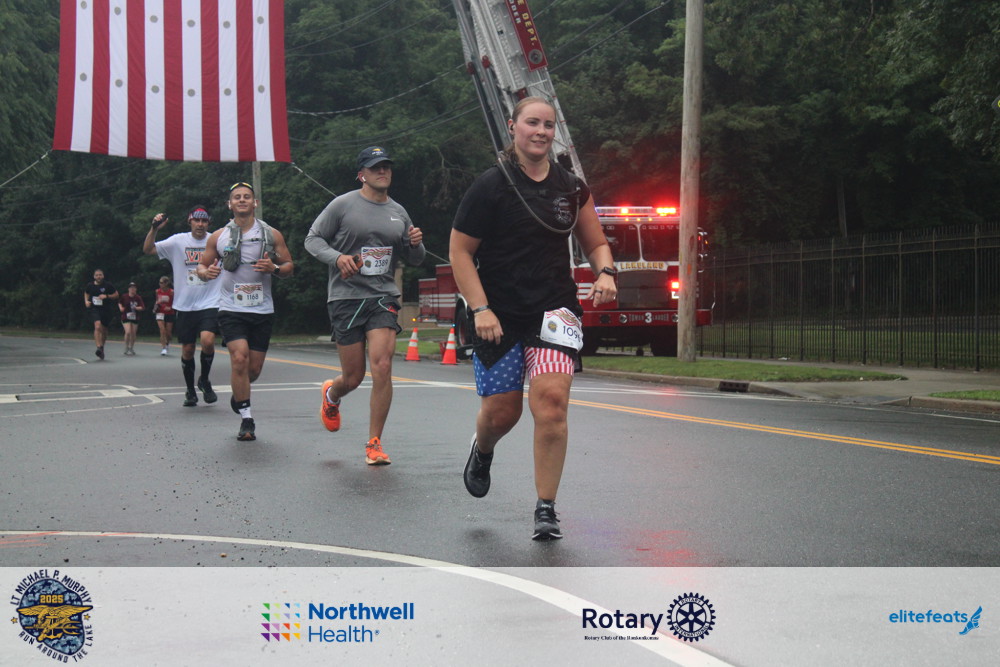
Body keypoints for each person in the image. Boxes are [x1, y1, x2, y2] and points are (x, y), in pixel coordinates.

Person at [449, 97, 618, 540]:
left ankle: (546, 508)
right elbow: (460, 252)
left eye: (548, 124)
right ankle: (482, 448)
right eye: (532, 123)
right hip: (499, 315)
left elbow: (596, 243)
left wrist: (606, 272)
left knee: (552, 403)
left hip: (554, 310)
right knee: (502, 413)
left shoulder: (571, 188)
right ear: (513, 127)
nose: (541, 131)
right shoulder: (490, 186)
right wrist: (480, 309)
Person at [304, 146, 425, 466]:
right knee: (353, 377)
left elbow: (415, 258)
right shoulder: (342, 205)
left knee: (382, 365)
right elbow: (312, 240)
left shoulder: (399, 212)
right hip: (345, 296)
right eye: (375, 168)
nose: (382, 171)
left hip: (383, 295)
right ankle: (332, 394)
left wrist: (416, 243)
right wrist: (338, 258)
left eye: (386, 166)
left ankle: (374, 443)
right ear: (362, 174)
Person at [196, 182, 294, 441]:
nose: (242, 200)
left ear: (254, 203)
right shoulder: (218, 237)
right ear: (229, 204)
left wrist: (274, 268)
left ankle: (239, 395)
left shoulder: (271, 234)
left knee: (253, 370)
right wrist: (207, 272)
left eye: (247, 197)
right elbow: (201, 267)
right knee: (239, 358)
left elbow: (289, 266)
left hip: (261, 309)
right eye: (237, 197)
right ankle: (246, 419)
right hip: (231, 308)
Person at [144, 206, 221, 407]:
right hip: (185, 304)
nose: (200, 225)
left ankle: (204, 380)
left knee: (208, 341)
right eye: (197, 221)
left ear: (208, 223)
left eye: (204, 221)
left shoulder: (216, 241)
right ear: (190, 222)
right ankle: (190, 390)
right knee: (187, 349)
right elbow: (148, 249)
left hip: (210, 301)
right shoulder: (178, 241)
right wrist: (154, 229)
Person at [83, 269, 119, 360]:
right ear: (94, 276)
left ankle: (102, 347)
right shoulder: (90, 285)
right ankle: (98, 347)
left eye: (100, 275)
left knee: (104, 330)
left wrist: (106, 296)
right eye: (97, 275)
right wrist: (86, 301)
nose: (98, 276)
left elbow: (116, 295)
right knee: (97, 326)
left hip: (106, 310)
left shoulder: (108, 285)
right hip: (94, 309)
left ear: (103, 276)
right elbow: (86, 293)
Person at [118, 281, 145, 355]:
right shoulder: (124, 296)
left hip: (135, 317)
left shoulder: (138, 298)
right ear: (128, 289)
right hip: (125, 316)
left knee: (133, 333)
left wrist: (137, 308)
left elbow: (142, 307)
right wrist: (121, 308)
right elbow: (119, 302)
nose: (132, 289)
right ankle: (126, 347)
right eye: (131, 288)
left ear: (136, 289)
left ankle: (131, 347)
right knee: (128, 332)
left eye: (134, 288)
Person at [154, 275, 175, 355]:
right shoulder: (157, 291)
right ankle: (163, 348)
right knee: (162, 330)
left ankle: (167, 343)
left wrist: (170, 307)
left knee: (168, 332)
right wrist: (155, 307)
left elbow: (176, 302)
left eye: (162, 282)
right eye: (159, 282)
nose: (160, 284)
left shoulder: (171, 292)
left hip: (169, 313)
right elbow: (157, 300)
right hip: (160, 312)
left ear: (166, 283)